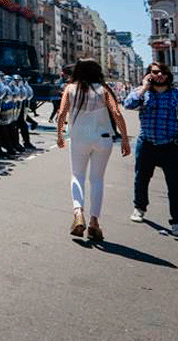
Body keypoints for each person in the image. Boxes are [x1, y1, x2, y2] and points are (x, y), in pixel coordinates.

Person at [55, 59, 130, 241]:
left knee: (77, 176)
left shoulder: (71, 89)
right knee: (97, 179)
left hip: (79, 139)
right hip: (103, 138)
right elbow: (117, 114)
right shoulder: (104, 90)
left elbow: (62, 113)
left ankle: (78, 213)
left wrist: (59, 135)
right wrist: (125, 138)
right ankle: (94, 221)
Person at [123, 63, 178, 235]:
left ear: (168, 76)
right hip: (146, 143)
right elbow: (128, 104)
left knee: (175, 184)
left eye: (163, 72)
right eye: (155, 72)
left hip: (170, 145)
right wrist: (145, 87)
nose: (160, 74)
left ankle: (176, 221)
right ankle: (139, 208)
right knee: (141, 178)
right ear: (149, 75)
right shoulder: (142, 92)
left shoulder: (175, 94)